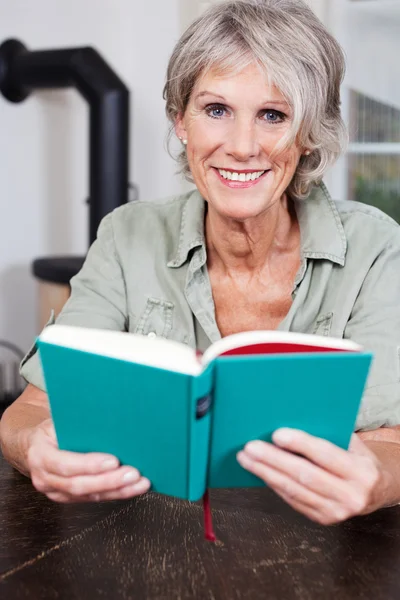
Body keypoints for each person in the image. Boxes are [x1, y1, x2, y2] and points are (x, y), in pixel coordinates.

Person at [1, 0, 400, 525]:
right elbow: (29, 411)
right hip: (145, 532)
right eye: (216, 110)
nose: (241, 146)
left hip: (319, 544)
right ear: (180, 120)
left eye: (273, 115)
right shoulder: (127, 234)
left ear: (307, 136)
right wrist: (36, 451)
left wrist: (378, 484)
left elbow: (390, 440)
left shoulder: (375, 246)